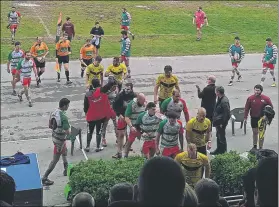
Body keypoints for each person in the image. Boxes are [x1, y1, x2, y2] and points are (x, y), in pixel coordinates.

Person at [84, 78, 118, 152]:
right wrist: (112, 80)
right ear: (99, 83)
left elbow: (85, 107)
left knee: (89, 131)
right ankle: (97, 147)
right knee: (98, 131)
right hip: (99, 115)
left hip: (90, 116)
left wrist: (86, 114)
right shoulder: (101, 90)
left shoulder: (87, 94)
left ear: (92, 84)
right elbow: (109, 84)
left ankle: (87, 146)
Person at [42, 98, 71, 186]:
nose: (68, 107)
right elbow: (67, 132)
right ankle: (45, 177)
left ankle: (66, 169)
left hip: (55, 137)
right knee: (55, 160)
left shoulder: (54, 112)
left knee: (65, 151)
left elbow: (50, 126)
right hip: (60, 141)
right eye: (68, 105)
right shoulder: (64, 117)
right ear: (64, 106)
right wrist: (70, 133)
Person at [244, 84, 273, 150]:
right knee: (255, 133)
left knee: (261, 134)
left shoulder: (266, 99)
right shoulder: (250, 98)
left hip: (262, 119)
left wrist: (266, 117)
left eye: (258, 90)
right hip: (253, 118)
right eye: (255, 90)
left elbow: (271, 108)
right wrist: (245, 117)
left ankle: (260, 148)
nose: (256, 92)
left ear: (261, 91)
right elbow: (246, 108)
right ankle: (254, 146)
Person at [112, 82, 137, 159]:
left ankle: (127, 147)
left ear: (131, 89)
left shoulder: (134, 96)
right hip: (122, 115)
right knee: (121, 134)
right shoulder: (120, 95)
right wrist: (118, 114)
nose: (126, 90)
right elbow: (114, 106)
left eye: (128, 89)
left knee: (131, 133)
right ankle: (119, 152)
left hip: (131, 116)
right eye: (125, 89)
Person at [123, 93, 146, 158]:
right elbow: (126, 117)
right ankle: (125, 155)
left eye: (144, 101)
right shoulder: (132, 104)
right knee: (130, 141)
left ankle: (144, 156)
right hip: (134, 126)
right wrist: (131, 126)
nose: (144, 103)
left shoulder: (144, 103)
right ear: (138, 99)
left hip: (141, 126)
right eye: (143, 101)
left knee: (143, 141)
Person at [210, 86, 230, 155]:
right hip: (218, 122)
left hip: (221, 123)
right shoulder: (219, 98)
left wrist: (223, 123)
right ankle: (218, 150)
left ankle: (224, 152)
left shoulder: (224, 101)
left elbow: (227, 113)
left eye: (216, 91)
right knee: (218, 136)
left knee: (221, 137)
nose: (215, 93)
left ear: (218, 92)